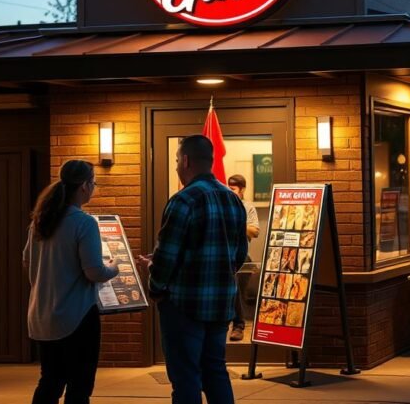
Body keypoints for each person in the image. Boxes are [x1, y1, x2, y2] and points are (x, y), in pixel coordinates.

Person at [137, 135, 248, 404]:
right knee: (216, 372)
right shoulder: (233, 201)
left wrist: (155, 286)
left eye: (176, 160)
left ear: (185, 160)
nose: (176, 166)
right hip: (220, 305)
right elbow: (240, 254)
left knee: (186, 378)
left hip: (184, 306)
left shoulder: (183, 201)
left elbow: (166, 258)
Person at [24, 159, 119, 404]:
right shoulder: (83, 222)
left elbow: (27, 261)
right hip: (76, 317)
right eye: (94, 182)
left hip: (42, 316)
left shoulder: (40, 221)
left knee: (50, 381)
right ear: (85, 186)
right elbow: (94, 272)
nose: (94, 187)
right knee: (79, 385)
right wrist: (114, 268)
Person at [225, 174, 260, 342]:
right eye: (228, 189)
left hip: (241, 255)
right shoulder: (223, 205)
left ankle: (238, 325)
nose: (230, 192)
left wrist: (236, 224)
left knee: (237, 287)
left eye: (233, 189)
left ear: (242, 189)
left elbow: (254, 231)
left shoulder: (248, 207)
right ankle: (227, 323)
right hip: (224, 254)